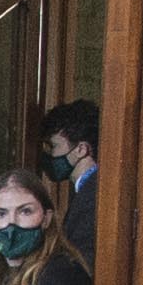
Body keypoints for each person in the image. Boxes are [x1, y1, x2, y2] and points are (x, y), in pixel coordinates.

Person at [37, 99, 101, 269]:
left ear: (81, 149)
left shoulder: (94, 195)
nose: (50, 154)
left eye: (54, 146)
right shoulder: (85, 189)